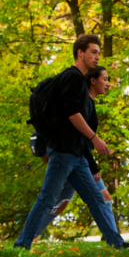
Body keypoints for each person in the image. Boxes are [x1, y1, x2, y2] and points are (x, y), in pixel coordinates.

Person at [14, 34, 129, 250]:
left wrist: (90, 159)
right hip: (63, 153)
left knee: (97, 199)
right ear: (80, 53)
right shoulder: (72, 77)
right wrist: (95, 138)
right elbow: (72, 114)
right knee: (47, 199)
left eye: (99, 52)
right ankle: (21, 246)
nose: (97, 56)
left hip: (76, 155)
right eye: (93, 52)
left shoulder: (79, 81)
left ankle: (117, 244)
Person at [50, 66, 117, 225]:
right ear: (93, 81)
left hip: (78, 158)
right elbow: (81, 139)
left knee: (60, 202)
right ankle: (31, 234)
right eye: (105, 79)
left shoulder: (90, 104)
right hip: (75, 158)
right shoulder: (85, 105)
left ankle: (115, 240)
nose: (107, 84)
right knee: (53, 201)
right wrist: (93, 166)